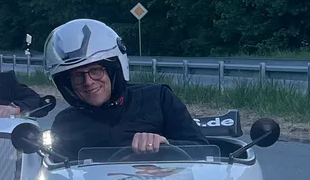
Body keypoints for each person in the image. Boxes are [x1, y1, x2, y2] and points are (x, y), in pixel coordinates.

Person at [44, 18, 208, 158]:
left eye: (95, 71)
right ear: (67, 85)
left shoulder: (158, 98)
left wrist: (167, 144)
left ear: (114, 71)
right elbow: (59, 175)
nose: (88, 82)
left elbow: (204, 151)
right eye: (77, 76)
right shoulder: (65, 123)